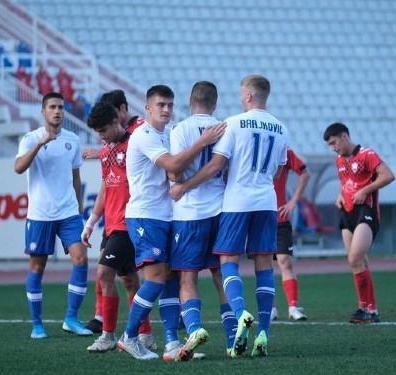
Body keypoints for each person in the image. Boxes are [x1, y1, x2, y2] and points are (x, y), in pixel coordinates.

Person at [170, 75, 288, 358]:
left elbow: (214, 167)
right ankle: (262, 333)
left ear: (248, 96)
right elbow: (279, 170)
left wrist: (184, 186)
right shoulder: (281, 128)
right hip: (265, 201)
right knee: (264, 266)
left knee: (225, 263)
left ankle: (240, 312)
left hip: (233, 203)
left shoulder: (233, 123)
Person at [116, 84, 225, 360]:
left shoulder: (168, 134)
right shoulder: (144, 135)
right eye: (160, 105)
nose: (166, 110)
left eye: (170, 105)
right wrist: (202, 141)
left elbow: (177, 170)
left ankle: (172, 344)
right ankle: (129, 336)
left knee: (171, 278)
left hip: (167, 215)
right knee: (155, 278)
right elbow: (174, 167)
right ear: (148, 108)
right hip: (145, 215)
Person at [168, 81, 238, 360]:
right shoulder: (226, 128)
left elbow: (175, 174)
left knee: (188, 276)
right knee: (222, 275)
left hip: (189, 213)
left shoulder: (180, 129)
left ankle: (195, 329)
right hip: (221, 210)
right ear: (215, 102)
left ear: (190, 101)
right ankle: (232, 338)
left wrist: (183, 185)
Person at [14, 92, 92, 339]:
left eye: (60, 107)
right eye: (52, 107)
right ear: (43, 111)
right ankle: (37, 324)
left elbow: (76, 176)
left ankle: (71, 318)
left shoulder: (72, 140)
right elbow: (18, 168)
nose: (57, 111)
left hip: (68, 213)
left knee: (81, 258)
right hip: (40, 214)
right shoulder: (30, 139)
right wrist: (40, 144)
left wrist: (79, 208)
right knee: (38, 267)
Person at [81, 103, 155, 352]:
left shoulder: (135, 145)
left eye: (104, 130)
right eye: (98, 132)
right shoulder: (105, 152)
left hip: (128, 222)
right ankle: (145, 333)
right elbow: (105, 189)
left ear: (116, 122)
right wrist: (91, 223)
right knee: (130, 281)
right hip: (111, 225)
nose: (101, 136)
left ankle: (108, 335)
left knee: (104, 274)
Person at [323, 122, 395, 324]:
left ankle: (363, 308)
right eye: (330, 145)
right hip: (347, 213)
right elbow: (346, 183)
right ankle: (371, 311)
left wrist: (365, 190)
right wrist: (340, 195)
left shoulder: (366, 155)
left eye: (334, 142)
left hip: (366, 211)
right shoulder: (339, 161)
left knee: (355, 258)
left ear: (344, 136)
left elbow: (388, 176)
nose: (333, 148)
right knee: (358, 262)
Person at [271, 147, 310, 322]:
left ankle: (293, 307)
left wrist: (293, 201)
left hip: (280, 218)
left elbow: (305, 173)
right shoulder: (250, 148)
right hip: (259, 218)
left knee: (285, 261)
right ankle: (270, 309)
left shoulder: (283, 150)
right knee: (264, 265)